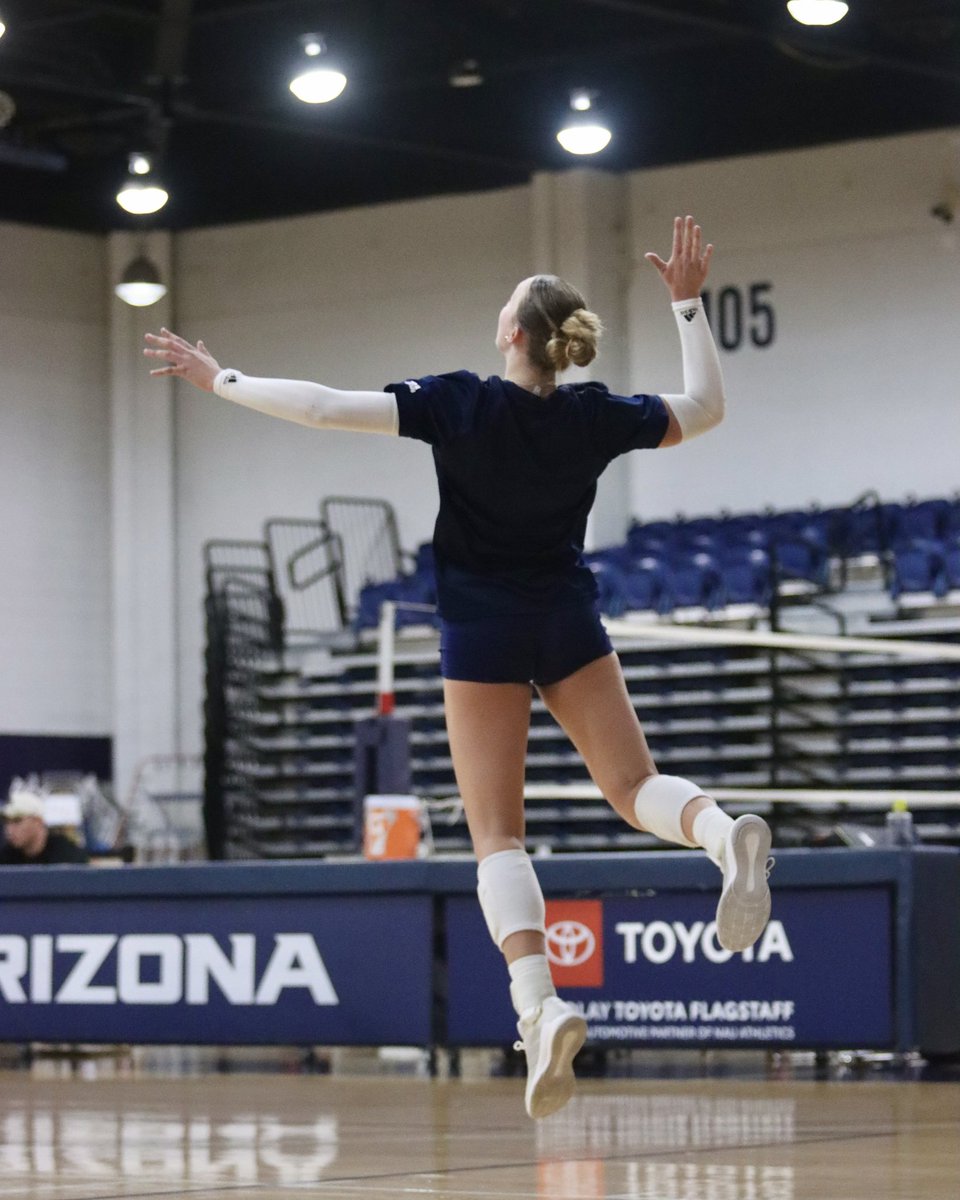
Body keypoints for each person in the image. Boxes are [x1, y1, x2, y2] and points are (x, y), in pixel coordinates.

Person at [145, 215, 772, 1119]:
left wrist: (222, 378)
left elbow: (323, 405)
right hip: (566, 616)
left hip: (480, 631)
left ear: (514, 334)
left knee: (496, 836)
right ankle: (721, 836)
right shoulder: (593, 415)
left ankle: (539, 1006)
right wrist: (685, 305)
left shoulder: (459, 401)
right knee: (633, 785)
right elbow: (708, 410)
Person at [1, 788, 89, 865]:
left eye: (17, 821)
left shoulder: (68, 856)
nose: (9, 830)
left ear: (38, 822)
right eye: (6, 822)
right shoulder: (5, 859)